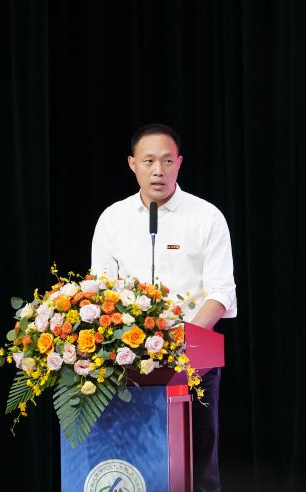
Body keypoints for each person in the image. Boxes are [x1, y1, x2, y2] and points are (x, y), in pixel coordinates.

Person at [90, 123, 237, 492]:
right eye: (149, 161)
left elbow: (221, 292)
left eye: (167, 161)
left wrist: (181, 340)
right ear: (132, 164)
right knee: (135, 460)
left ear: (179, 163)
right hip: (126, 359)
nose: (159, 170)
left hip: (193, 358)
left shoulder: (206, 217)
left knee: (198, 466)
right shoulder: (113, 219)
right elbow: (99, 289)